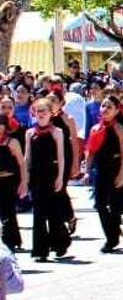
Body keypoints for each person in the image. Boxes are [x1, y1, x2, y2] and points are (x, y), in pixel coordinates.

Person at [23, 98, 70, 261]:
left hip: (52, 174)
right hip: (36, 177)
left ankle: (60, 244)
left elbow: (61, 157)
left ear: (51, 113)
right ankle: (40, 250)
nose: (41, 114)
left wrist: (60, 178)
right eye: (38, 111)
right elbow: (27, 158)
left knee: (54, 212)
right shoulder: (29, 133)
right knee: (38, 214)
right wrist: (25, 178)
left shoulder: (57, 132)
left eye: (44, 111)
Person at [86, 95, 123, 253]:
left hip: (115, 169)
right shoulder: (95, 129)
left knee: (114, 206)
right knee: (99, 204)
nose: (105, 109)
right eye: (103, 106)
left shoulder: (119, 128)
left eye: (109, 106)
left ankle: (112, 238)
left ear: (117, 110)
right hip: (100, 170)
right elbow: (90, 152)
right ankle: (111, 234)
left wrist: (121, 175)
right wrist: (86, 171)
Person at [0, 115, 21, 251]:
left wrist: (24, 182)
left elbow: (22, 162)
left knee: (8, 211)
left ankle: (11, 242)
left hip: (9, 181)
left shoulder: (12, 142)